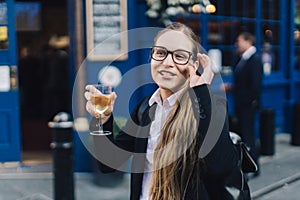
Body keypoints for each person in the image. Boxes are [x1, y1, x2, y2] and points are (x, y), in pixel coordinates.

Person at [85, 22, 245, 199]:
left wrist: (201, 93)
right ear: (151, 58)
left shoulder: (210, 107)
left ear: (194, 64)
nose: (168, 63)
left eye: (180, 56)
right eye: (160, 53)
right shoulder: (145, 109)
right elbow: (109, 164)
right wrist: (101, 118)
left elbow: (221, 168)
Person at [223, 32, 263, 177]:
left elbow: (255, 86)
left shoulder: (254, 59)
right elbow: (244, 83)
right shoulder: (244, 59)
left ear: (247, 41)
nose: (236, 44)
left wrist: (248, 103)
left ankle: (252, 167)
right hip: (242, 104)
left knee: (248, 136)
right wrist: (232, 87)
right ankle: (249, 166)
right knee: (245, 135)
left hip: (247, 106)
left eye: (238, 41)